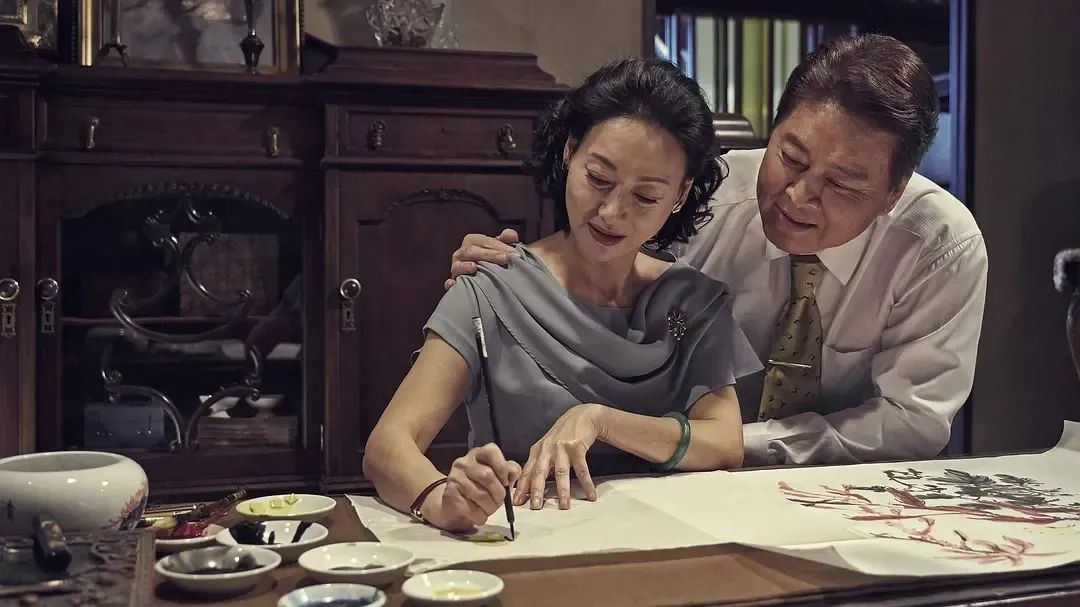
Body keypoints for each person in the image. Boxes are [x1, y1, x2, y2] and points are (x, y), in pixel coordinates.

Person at [448, 34, 988, 467]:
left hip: (843, 487)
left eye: (841, 184)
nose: (798, 197)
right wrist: (508, 280)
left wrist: (726, 443)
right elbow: (594, 270)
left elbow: (910, 422)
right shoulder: (703, 200)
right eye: (791, 158)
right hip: (668, 480)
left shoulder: (939, 245)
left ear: (893, 193)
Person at [363, 58, 760, 532]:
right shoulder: (493, 285)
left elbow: (725, 444)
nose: (611, 212)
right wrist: (440, 499)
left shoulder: (694, 302)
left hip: (669, 536)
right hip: (531, 536)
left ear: (680, 195)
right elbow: (388, 445)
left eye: (645, 196)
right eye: (599, 179)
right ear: (570, 152)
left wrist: (602, 421)